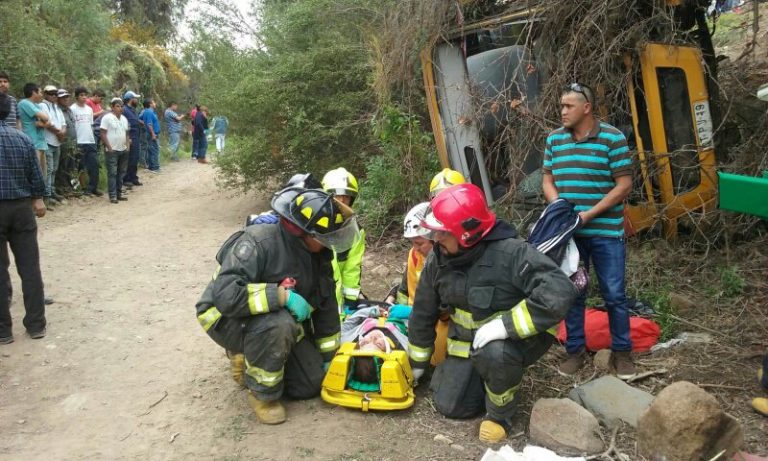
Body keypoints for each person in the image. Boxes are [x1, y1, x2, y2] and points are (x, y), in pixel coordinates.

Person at [408, 183, 577, 443]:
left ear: (467, 233)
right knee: (452, 406)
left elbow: (559, 291)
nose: (436, 240)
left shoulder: (511, 253)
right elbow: (423, 310)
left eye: (443, 233)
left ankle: (501, 415)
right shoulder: (439, 258)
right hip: (469, 343)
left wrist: (504, 327)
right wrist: (417, 363)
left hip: (514, 341)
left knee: (496, 353)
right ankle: (484, 377)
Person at [195, 186, 358, 424]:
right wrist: (281, 296)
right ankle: (262, 395)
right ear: (303, 232)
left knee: (309, 384)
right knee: (279, 324)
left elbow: (326, 307)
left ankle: (250, 357)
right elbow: (226, 295)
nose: (329, 243)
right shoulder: (260, 241)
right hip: (226, 319)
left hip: (271, 321)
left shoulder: (318, 255)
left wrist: (329, 359)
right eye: (324, 238)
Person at [541, 83, 636, 379]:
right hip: (571, 236)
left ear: (587, 108)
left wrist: (588, 215)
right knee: (573, 292)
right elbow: (547, 177)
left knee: (614, 294)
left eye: (568, 106)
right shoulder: (555, 140)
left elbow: (624, 184)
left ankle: (622, 352)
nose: (563, 112)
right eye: (561, 106)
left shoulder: (612, 138)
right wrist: (559, 207)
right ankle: (574, 351)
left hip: (606, 233)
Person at [0, 93, 48, 344]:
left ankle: (3, 331)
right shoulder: (22, 139)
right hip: (21, 209)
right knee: (29, 268)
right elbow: (37, 178)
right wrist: (38, 199)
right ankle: (36, 324)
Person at [70, 87, 101, 197]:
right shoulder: (72, 109)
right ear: (77, 96)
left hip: (90, 141)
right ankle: (82, 189)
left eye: (85, 95)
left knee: (94, 165)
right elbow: (71, 126)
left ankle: (92, 188)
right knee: (80, 167)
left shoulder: (89, 109)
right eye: (81, 95)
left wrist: (93, 139)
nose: (84, 97)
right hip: (78, 142)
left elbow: (91, 125)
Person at [18, 83, 50, 186]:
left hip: (41, 143)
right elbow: (45, 118)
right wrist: (41, 123)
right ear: (33, 92)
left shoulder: (36, 105)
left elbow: (48, 120)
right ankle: (31, 200)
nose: (41, 94)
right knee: (33, 173)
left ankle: (40, 198)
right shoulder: (24, 103)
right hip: (31, 143)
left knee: (42, 174)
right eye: (40, 92)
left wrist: (40, 124)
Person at [40, 85, 67, 209]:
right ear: (45, 94)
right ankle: (46, 195)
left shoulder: (56, 107)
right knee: (48, 169)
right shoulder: (42, 106)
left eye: (56, 93)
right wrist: (59, 132)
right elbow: (46, 123)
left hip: (57, 142)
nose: (54, 96)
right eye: (51, 93)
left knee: (55, 168)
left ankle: (52, 191)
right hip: (47, 141)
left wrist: (62, 132)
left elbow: (63, 123)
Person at [100, 98, 130, 204]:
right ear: (112, 107)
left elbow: (126, 134)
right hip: (112, 150)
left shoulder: (124, 119)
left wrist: (127, 146)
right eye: (117, 106)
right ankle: (112, 195)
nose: (120, 108)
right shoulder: (107, 118)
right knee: (112, 173)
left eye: (122, 106)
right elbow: (103, 133)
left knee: (121, 172)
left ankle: (119, 194)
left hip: (123, 149)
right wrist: (109, 147)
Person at [55, 89, 79, 195]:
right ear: (58, 99)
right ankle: (63, 189)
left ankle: (74, 188)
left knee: (73, 166)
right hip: (63, 143)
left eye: (67, 96)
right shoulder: (57, 111)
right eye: (63, 97)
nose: (66, 99)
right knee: (63, 166)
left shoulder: (69, 110)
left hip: (73, 143)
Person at [122, 91, 143, 187]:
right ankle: (127, 179)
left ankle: (134, 177)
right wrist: (127, 138)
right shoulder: (124, 110)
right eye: (135, 98)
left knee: (135, 158)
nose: (137, 100)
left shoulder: (133, 110)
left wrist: (139, 121)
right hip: (130, 137)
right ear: (131, 99)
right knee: (129, 158)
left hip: (136, 136)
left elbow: (133, 120)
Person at [140, 98, 161, 173]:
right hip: (152, 134)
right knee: (154, 150)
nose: (155, 103)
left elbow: (139, 119)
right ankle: (154, 167)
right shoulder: (149, 112)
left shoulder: (148, 112)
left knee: (152, 149)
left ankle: (152, 166)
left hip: (151, 133)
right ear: (150, 104)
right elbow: (149, 124)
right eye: (154, 102)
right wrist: (153, 134)